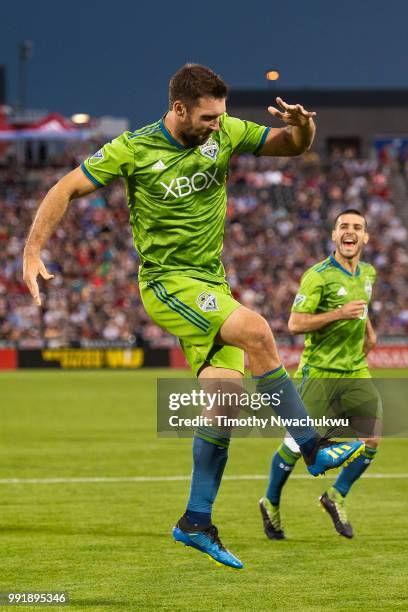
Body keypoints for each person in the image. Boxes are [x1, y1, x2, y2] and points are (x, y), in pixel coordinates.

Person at [23, 64, 364, 569]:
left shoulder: (224, 131)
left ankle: (195, 521)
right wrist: (32, 252)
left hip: (211, 283)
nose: (215, 125)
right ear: (178, 108)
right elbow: (65, 188)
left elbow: (294, 145)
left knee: (225, 398)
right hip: (166, 282)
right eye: (206, 117)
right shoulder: (132, 149)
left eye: (220, 116)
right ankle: (312, 446)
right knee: (256, 329)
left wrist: (304, 124)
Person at [260, 209, 381, 541]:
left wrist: (368, 332)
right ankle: (270, 502)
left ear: (365, 237)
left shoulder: (368, 273)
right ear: (334, 234)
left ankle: (336, 495)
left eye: (357, 227)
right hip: (319, 372)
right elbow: (295, 323)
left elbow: (362, 305)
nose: (350, 231)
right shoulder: (318, 276)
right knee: (299, 446)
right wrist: (339, 313)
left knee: (372, 438)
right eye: (344, 226)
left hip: (355, 369)